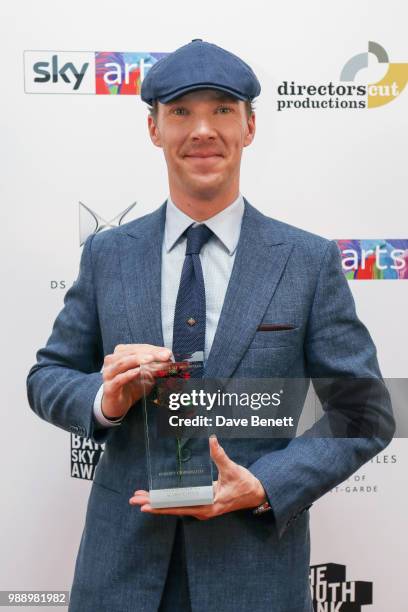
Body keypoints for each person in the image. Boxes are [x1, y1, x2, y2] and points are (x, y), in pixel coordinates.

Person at [26, 39, 395, 612]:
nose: (202, 130)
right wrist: (107, 399)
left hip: (251, 573)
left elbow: (365, 412)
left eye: (222, 109)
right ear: (154, 129)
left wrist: (267, 484)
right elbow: (47, 375)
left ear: (250, 127)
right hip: (119, 574)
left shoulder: (307, 261)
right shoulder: (108, 255)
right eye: (180, 112)